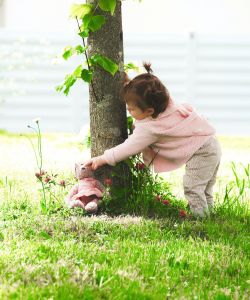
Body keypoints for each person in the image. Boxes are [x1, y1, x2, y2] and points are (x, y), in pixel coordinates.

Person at [84, 63, 221, 217]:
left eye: (131, 109)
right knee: (204, 187)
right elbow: (152, 90)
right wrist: (129, 84)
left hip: (201, 151)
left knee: (193, 187)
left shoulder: (150, 128)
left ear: (149, 111)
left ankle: (200, 219)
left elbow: (128, 147)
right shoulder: (166, 104)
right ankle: (208, 215)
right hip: (209, 144)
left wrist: (103, 158)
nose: (129, 112)